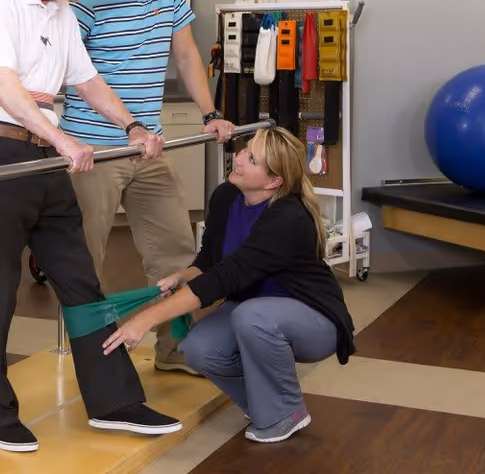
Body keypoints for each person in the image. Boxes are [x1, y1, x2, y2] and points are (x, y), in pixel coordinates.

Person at [0, 0, 183, 454]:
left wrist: (131, 125)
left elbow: (86, 80)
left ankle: (113, 401)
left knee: (81, 282)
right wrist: (63, 140)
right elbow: (3, 84)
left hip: (46, 160)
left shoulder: (60, 10)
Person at [101, 126, 357, 444]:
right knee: (197, 348)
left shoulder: (287, 218)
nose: (238, 158)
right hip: (250, 310)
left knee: (252, 317)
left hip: (314, 320)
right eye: (244, 150)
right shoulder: (227, 196)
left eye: (252, 158)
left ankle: (287, 412)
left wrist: (144, 320)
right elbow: (210, 262)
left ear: (273, 180)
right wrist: (184, 276)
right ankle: (264, 405)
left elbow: (224, 279)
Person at [60, 0, 236, 374]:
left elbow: (186, 53)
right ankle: (93, 359)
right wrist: (127, 125)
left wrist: (210, 112)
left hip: (148, 150)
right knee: (87, 259)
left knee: (177, 249)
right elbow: (79, 77)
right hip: (95, 150)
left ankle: (175, 349)